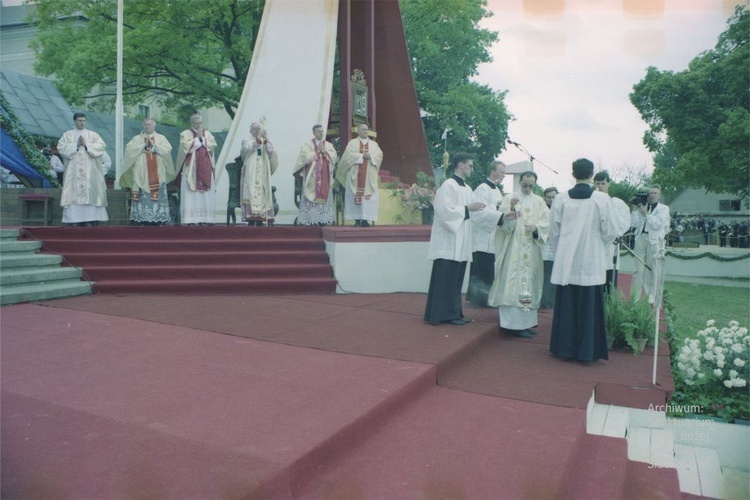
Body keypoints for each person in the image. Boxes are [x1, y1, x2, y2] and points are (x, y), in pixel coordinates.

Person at [548, 159, 631, 362]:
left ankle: (564, 349)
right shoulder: (601, 199)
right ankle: (587, 351)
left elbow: (553, 231)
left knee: (567, 305)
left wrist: (563, 251)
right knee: (589, 306)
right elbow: (610, 231)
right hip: (591, 259)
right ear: (591, 175)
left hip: (567, 261)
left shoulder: (560, 199)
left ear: (573, 173)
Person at [424, 152, 487, 325]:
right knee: (446, 280)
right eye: (470, 165)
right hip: (448, 242)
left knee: (455, 280)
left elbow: (478, 211)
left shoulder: (467, 189)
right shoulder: (448, 186)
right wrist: (467, 209)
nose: (472, 169)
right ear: (461, 165)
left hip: (461, 242)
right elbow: (444, 212)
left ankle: (454, 313)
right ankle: (441, 315)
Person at [487, 171, 549, 338]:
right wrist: (512, 209)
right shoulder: (510, 198)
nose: (527, 188)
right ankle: (510, 325)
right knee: (511, 283)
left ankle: (525, 323)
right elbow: (503, 226)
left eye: (531, 186)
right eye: (525, 185)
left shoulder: (539, 201)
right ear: (519, 182)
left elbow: (546, 222)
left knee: (528, 284)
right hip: (513, 248)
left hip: (531, 250)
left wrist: (536, 228)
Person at [466, 161, 509, 307]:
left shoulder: (497, 190)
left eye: (504, 173)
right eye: (501, 172)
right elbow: (479, 213)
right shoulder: (482, 189)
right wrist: (500, 216)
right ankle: (478, 299)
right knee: (482, 266)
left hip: (492, 235)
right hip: (483, 236)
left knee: (489, 267)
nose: (503, 175)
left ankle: (487, 298)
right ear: (492, 171)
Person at [119, 118, 176, 226]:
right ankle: (142, 218)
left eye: (149, 124)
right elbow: (129, 149)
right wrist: (143, 146)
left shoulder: (161, 138)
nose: (147, 126)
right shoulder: (137, 138)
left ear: (154, 126)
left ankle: (158, 219)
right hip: (141, 172)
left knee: (157, 194)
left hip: (157, 171)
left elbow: (167, 149)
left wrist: (155, 147)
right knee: (142, 195)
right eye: (145, 124)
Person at [56, 112, 109, 226]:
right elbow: (61, 148)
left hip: (90, 174)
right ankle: (74, 220)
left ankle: (90, 219)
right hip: (73, 174)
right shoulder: (68, 135)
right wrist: (75, 145)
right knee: (74, 194)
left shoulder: (93, 135)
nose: (82, 123)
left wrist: (86, 145)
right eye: (80, 120)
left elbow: (101, 146)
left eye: (84, 121)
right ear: (74, 121)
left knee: (91, 193)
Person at [336, 123, 383, 227]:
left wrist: (370, 156)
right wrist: (361, 156)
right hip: (355, 176)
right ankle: (357, 220)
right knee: (355, 197)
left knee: (368, 198)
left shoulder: (374, 145)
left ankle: (366, 220)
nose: (365, 131)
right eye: (362, 129)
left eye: (366, 129)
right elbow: (347, 157)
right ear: (358, 131)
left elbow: (379, 156)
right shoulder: (352, 143)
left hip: (368, 177)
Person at [630, 184, 670, 303]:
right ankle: (635, 297)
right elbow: (634, 224)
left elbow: (657, 225)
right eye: (650, 193)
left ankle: (651, 295)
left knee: (652, 268)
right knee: (639, 269)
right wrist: (634, 210)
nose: (652, 195)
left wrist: (646, 214)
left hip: (654, 240)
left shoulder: (664, 209)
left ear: (659, 195)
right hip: (640, 238)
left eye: (655, 193)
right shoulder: (642, 206)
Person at [175, 113, 217, 226]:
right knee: (190, 193)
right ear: (191, 123)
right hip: (191, 168)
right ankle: (190, 219)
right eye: (195, 123)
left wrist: (202, 139)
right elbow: (184, 148)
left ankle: (205, 219)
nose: (198, 125)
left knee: (205, 194)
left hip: (206, 167)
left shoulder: (207, 133)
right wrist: (198, 140)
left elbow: (213, 145)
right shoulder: (185, 134)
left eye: (200, 123)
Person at [293, 124, 338, 226]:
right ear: (313, 133)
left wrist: (325, 153)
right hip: (312, 178)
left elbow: (334, 157)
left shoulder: (329, 145)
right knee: (311, 197)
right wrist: (316, 153)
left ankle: (323, 219)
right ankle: (311, 219)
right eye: (319, 131)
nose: (321, 133)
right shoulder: (307, 145)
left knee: (324, 198)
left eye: (322, 131)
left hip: (325, 178)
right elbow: (303, 158)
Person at [593, 170, 630, 294]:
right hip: (595, 246)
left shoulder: (617, 203)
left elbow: (625, 222)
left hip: (611, 246)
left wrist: (614, 234)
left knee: (610, 280)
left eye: (602, 183)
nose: (599, 186)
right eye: (597, 183)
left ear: (608, 184)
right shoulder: (590, 203)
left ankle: (609, 307)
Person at [240, 121, 279, 226]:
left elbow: (271, 151)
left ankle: (261, 217)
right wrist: (259, 139)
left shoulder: (264, 139)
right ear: (250, 131)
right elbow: (247, 149)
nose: (257, 131)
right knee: (251, 190)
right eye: (255, 129)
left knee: (262, 189)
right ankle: (251, 218)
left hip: (262, 168)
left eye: (258, 129)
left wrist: (265, 141)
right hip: (251, 168)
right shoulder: (246, 140)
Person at [540, 186, 558, 308]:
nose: (551, 199)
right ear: (545, 198)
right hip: (543, 246)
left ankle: (552, 301)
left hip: (556, 247)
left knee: (553, 275)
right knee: (544, 275)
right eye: (549, 197)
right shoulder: (541, 209)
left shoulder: (560, 209)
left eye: (554, 197)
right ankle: (543, 301)